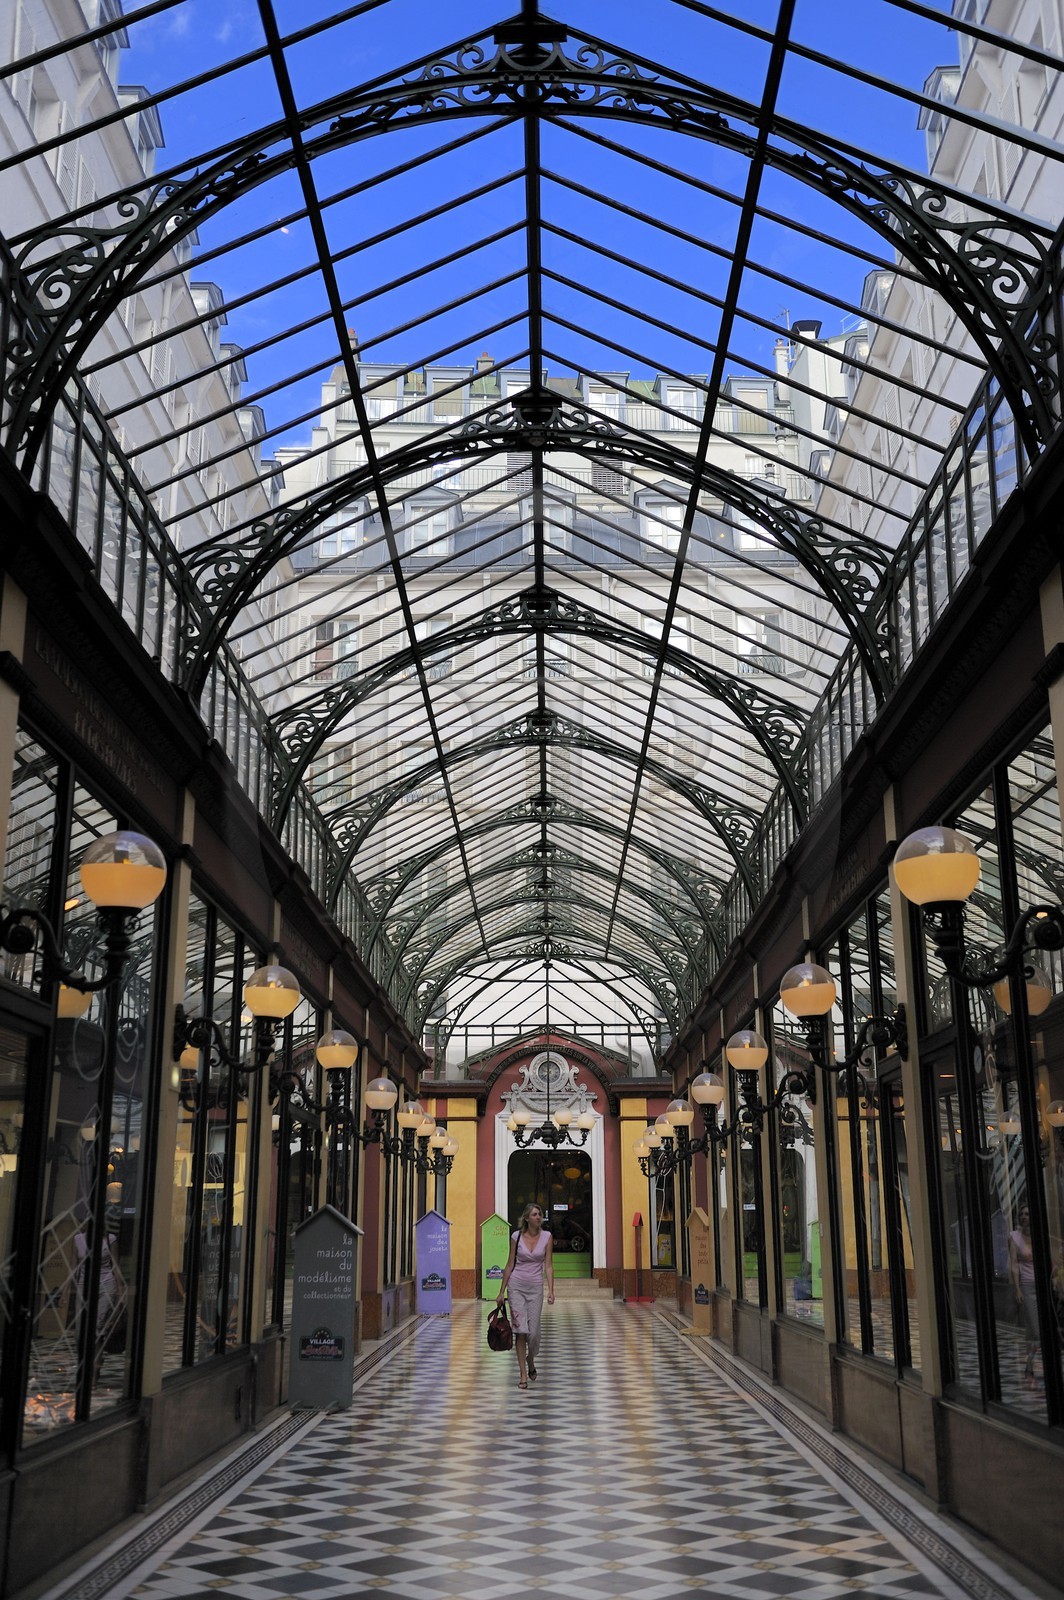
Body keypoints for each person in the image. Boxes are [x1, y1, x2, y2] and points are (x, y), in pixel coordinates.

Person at [497, 1203, 554, 1389]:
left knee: (534, 1333)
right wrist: (501, 1291)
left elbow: (548, 1266)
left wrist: (551, 1290)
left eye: (540, 1214)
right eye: (535, 1214)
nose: (539, 1217)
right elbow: (509, 1264)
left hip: (535, 1288)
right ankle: (523, 1373)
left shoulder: (547, 1237)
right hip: (516, 1286)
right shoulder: (516, 1236)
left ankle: (531, 1359)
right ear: (527, 1218)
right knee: (520, 1331)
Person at [1008, 1204, 1040, 1384]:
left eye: (1027, 1214)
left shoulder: (1040, 1234)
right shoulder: (1014, 1237)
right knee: (1036, 1330)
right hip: (1028, 1287)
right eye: (1021, 1214)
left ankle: (1031, 1363)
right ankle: (1031, 1362)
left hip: (1045, 1286)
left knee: (1038, 1330)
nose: (1024, 1216)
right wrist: (1017, 1288)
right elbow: (1013, 1263)